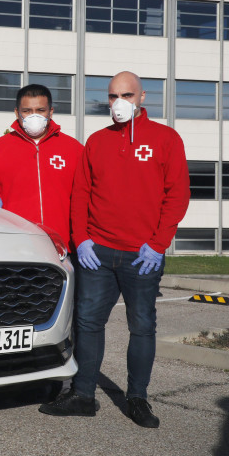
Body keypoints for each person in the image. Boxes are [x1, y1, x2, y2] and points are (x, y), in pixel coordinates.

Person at [39, 71, 190, 428]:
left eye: (126, 94)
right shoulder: (97, 141)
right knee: (89, 323)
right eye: (112, 96)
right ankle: (83, 395)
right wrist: (83, 239)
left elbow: (177, 195)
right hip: (98, 252)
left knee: (142, 326)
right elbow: (81, 193)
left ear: (141, 98)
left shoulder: (166, 139)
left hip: (143, 255)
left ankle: (137, 398)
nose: (118, 102)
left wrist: (158, 244)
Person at [0, 84, 83, 247]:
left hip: (63, 243)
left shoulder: (73, 149)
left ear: (50, 112)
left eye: (40, 110)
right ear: (17, 113)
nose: (34, 116)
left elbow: (87, 192)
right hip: (14, 241)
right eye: (27, 111)